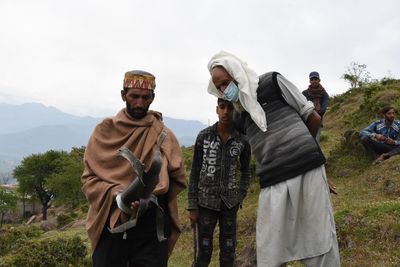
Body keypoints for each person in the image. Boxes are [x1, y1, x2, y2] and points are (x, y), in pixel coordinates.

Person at [206, 51, 340, 267]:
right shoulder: (240, 115)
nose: (224, 89)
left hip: (307, 172)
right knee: (270, 249)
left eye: (226, 82)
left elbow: (312, 117)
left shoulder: (273, 82)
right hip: (272, 182)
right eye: (219, 86)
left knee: (320, 239)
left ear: (237, 73)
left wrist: (310, 156)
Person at [81, 70, 187, 267]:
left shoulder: (163, 135)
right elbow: (89, 180)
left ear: (152, 98)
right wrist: (116, 194)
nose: (139, 103)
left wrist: (150, 197)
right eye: (134, 96)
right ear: (123, 96)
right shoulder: (104, 131)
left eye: (145, 98)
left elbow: (177, 178)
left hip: (150, 223)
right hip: (110, 217)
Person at [188, 98, 251, 267]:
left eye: (230, 108)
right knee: (203, 253)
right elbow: (194, 171)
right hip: (205, 203)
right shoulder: (204, 136)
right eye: (222, 107)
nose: (226, 112)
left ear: (235, 111)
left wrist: (240, 195)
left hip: (230, 204)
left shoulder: (242, 140)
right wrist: (192, 205)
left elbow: (246, 171)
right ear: (217, 109)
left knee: (228, 254)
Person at [302, 71, 330, 142]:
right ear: (309, 81)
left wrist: (315, 113)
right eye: (312, 79)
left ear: (319, 80)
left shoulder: (324, 94)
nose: (314, 81)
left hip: (318, 122)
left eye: (315, 79)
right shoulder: (304, 93)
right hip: (305, 121)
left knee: (315, 142)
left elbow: (323, 109)